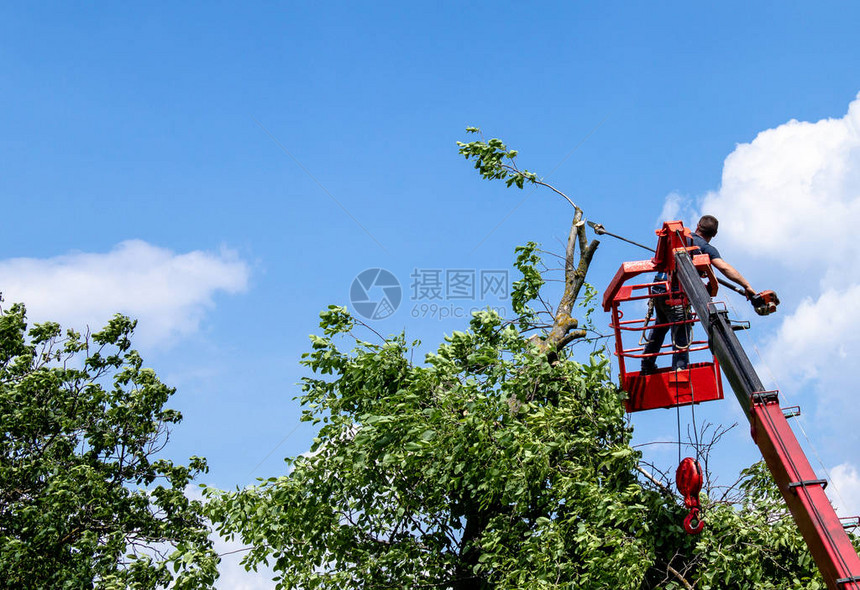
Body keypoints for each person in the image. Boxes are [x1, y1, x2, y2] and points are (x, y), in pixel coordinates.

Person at [640, 215, 756, 374]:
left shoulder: (679, 239)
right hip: (675, 294)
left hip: (658, 289)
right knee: (682, 330)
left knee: (660, 326)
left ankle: (646, 364)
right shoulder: (704, 247)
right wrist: (747, 285)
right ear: (713, 235)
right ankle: (680, 372)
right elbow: (724, 268)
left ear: (697, 226)